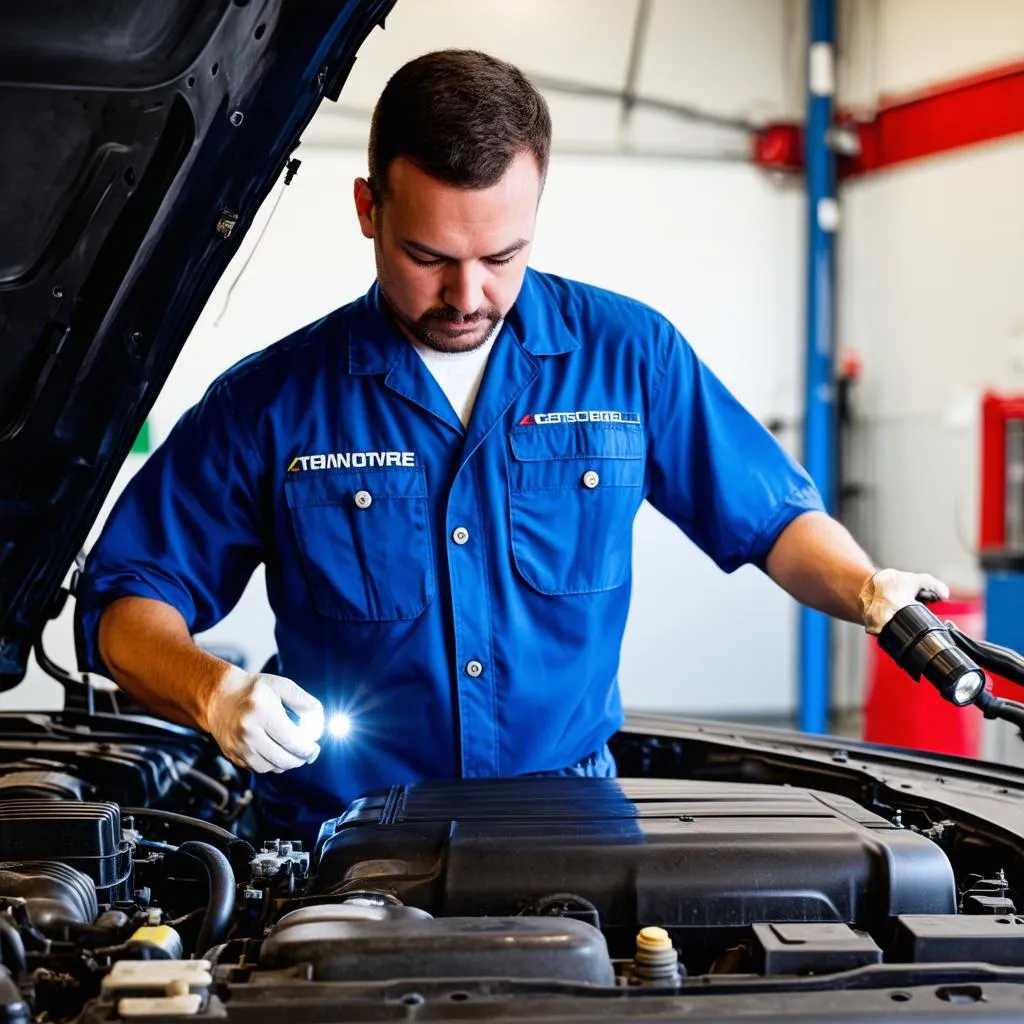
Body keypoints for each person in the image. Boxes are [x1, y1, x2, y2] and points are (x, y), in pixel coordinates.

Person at [75, 49, 946, 835]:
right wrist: (215, 694)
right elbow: (127, 605)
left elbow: (770, 520)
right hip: (339, 843)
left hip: (568, 833)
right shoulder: (271, 402)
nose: (467, 294)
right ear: (367, 209)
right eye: (429, 256)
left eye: (503, 256)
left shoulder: (629, 356)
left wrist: (869, 589)